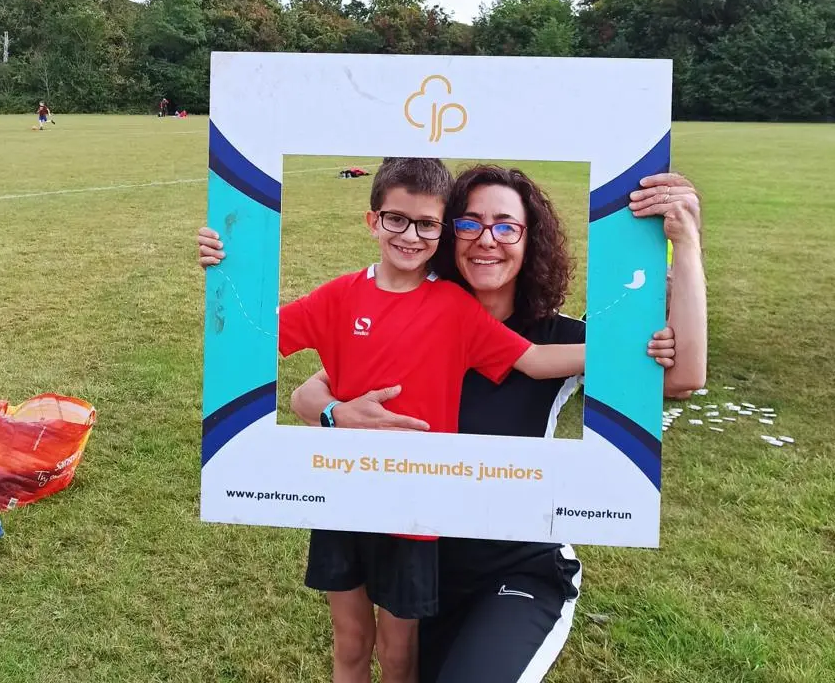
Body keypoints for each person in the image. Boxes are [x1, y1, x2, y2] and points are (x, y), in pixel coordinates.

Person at [197, 162, 691, 683]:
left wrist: (622, 350)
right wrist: (227, 270)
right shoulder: (342, 296)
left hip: (419, 519)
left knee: (399, 655)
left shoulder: (456, 309)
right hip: (347, 502)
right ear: (373, 220)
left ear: (441, 231)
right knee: (351, 643)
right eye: (396, 220)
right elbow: (253, 341)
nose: (410, 235)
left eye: (427, 224)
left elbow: (532, 360)